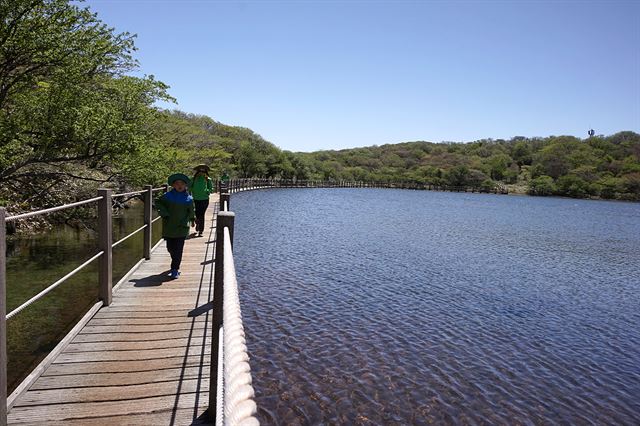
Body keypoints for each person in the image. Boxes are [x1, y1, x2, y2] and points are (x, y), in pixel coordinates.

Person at [156, 173, 195, 279]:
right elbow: (158, 203)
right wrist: (164, 213)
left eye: (182, 183)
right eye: (177, 183)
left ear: (186, 185)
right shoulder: (167, 196)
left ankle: (175, 269)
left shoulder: (189, 199)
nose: (180, 185)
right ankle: (174, 260)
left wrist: (192, 219)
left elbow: (191, 211)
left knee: (178, 249)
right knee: (170, 248)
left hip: (182, 227)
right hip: (169, 226)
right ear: (173, 185)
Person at [191, 164, 213, 237]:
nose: (201, 172)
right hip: (196, 199)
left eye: (203, 171)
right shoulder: (193, 179)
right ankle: (198, 223)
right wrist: (192, 193)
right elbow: (189, 187)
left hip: (205, 199)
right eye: (200, 170)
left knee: (201, 214)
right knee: (197, 213)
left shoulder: (208, 179)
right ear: (198, 171)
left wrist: (207, 191)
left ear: (205, 171)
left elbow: (211, 189)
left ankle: (201, 230)